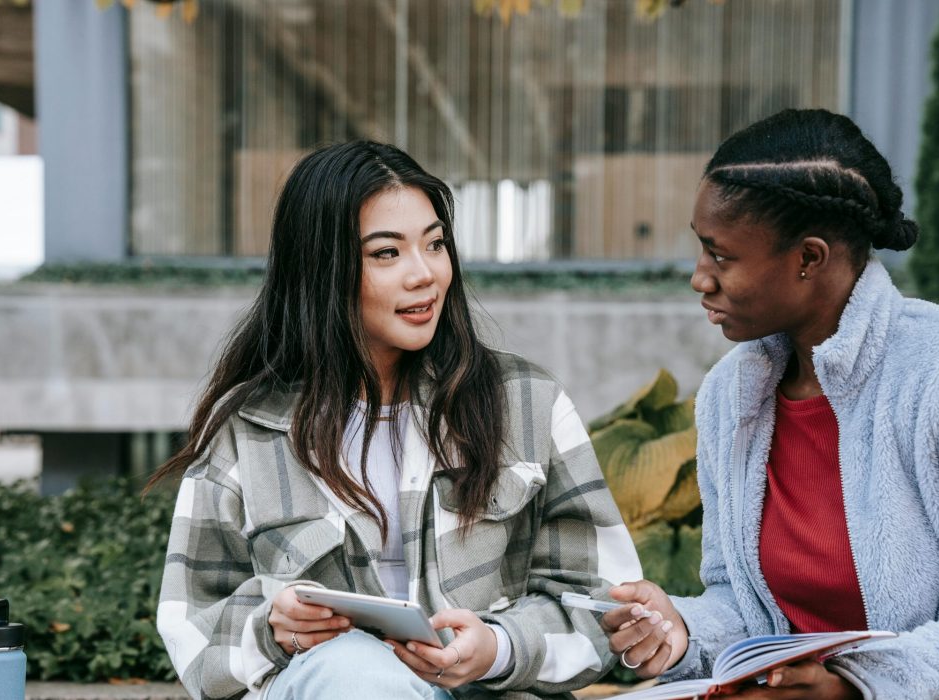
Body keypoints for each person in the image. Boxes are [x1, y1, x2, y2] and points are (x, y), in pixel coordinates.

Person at [599, 109, 939, 698]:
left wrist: (853, 685)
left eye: (720, 255)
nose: (700, 278)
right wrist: (681, 628)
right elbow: (743, 605)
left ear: (809, 258)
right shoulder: (732, 396)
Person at [148, 141, 644, 700]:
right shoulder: (248, 427)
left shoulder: (527, 403)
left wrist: (500, 647)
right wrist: (272, 629)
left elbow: (603, 600)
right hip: (333, 691)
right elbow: (191, 624)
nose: (424, 275)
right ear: (321, 269)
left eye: (435, 245)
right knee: (354, 670)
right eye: (386, 253)